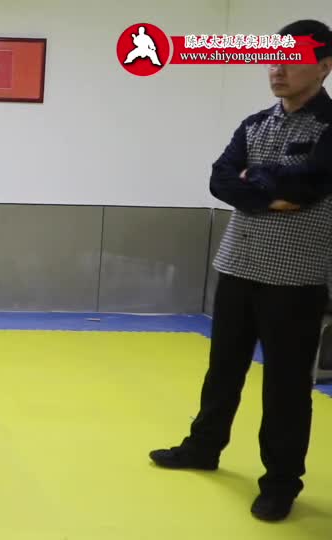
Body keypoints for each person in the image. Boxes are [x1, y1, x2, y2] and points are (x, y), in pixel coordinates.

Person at [150, 19, 332, 522]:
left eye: (291, 60)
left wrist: (258, 181)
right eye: (272, 58)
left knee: (286, 385)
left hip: (295, 276)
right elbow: (220, 179)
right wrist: (268, 193)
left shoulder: (328, 128)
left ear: (323, 66)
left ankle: (280, 482)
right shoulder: (254, 124)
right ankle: (203, 447)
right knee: (223, 368)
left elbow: (308, 187)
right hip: (237, 264)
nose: (277, 69)